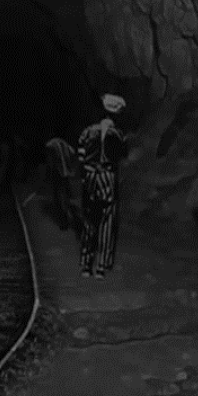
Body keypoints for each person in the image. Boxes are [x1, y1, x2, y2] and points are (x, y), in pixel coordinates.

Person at [77, 93, 129, 280]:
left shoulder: (88, 132)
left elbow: (81, 157)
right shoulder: (119, 135)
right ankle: (101, 266)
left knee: (89, 220)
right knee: (107, 221)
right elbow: (123, 155)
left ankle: (85, 264)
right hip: (108, 177)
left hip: (91, 176)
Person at [45, 136, 78, 231]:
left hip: (57, 171)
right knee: (66, 194)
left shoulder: (50, 145)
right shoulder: (63, 143)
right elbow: (73, 152)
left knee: (57, 196)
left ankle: (63, 221)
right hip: (66, 172)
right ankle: (72, 214)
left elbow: (51, 161)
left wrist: (48, 174)